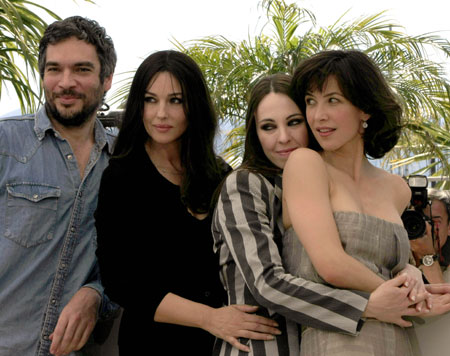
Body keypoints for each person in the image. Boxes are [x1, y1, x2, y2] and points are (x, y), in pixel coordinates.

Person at [212, 73, 427, 356]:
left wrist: (409, 270)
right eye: (268, 127)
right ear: (255, 133)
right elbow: (267, 283)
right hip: (263, 347)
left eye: (294, 122)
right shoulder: (246, 184)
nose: (284, 138)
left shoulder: (319, 179)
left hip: (317, 342)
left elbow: (369, 256)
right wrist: (369, 304)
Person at [94, 50, 280, 355]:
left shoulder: (219, 173)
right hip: (154, 343)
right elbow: (121, 281)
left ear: (194, 104)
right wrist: (211, 318)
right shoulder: (122, 176)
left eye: (175, 100)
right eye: (150, 99)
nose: (161, 114)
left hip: (224, 343)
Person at [281, 49, 438, 355]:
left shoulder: (397, 188)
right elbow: (331, 264)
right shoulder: (306, 164)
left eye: (333, 100)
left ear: (364, 109)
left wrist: (409, 272)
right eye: (311, 101)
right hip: (337, 341)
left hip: (400, 338)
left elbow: (384, 259)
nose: (317, 115)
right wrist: (405, 298)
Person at [0, 16, 117, 356]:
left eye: (81, 69)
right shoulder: (5, 144)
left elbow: (133, 259)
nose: (65, 83)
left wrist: (97, 293)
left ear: (106, 78)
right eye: (54, 69)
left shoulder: (122, 162)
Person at [410, 188, 450, 283]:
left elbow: (440, 297)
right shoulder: (395, 257)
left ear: (449, 227)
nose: (427, 227)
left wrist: (427, 255)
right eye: (419, 221)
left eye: (434, 221)